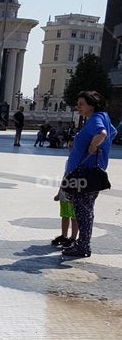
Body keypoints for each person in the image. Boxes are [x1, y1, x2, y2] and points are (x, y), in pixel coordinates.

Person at [61, 91, 117, 258]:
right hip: (87, 173)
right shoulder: (103, 117)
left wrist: (94, 146)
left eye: (81, 104)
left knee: (83, 212)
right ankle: (82, 244)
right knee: (85, 211)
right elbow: (112, 132)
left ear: (91, 105)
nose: (78, 107)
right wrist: (102, 148)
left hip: (84, 174)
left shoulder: (96, 118)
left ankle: (83, 246)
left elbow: (103, 133)